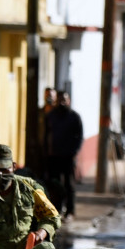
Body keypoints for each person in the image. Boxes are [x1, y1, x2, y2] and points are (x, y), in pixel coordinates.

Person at [44, 91, 84, 219]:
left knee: (69, 184)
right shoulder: (50, 116)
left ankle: (70, 211)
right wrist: (46, 152)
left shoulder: (74, 117)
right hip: (53, 156)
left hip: (68, 157)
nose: (62, 102)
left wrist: (74, 151)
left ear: (69, 101)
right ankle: (57, 209)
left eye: (64, 100)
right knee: (55, 184)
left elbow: (79, 137)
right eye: (59, 100)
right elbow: (46, 135)